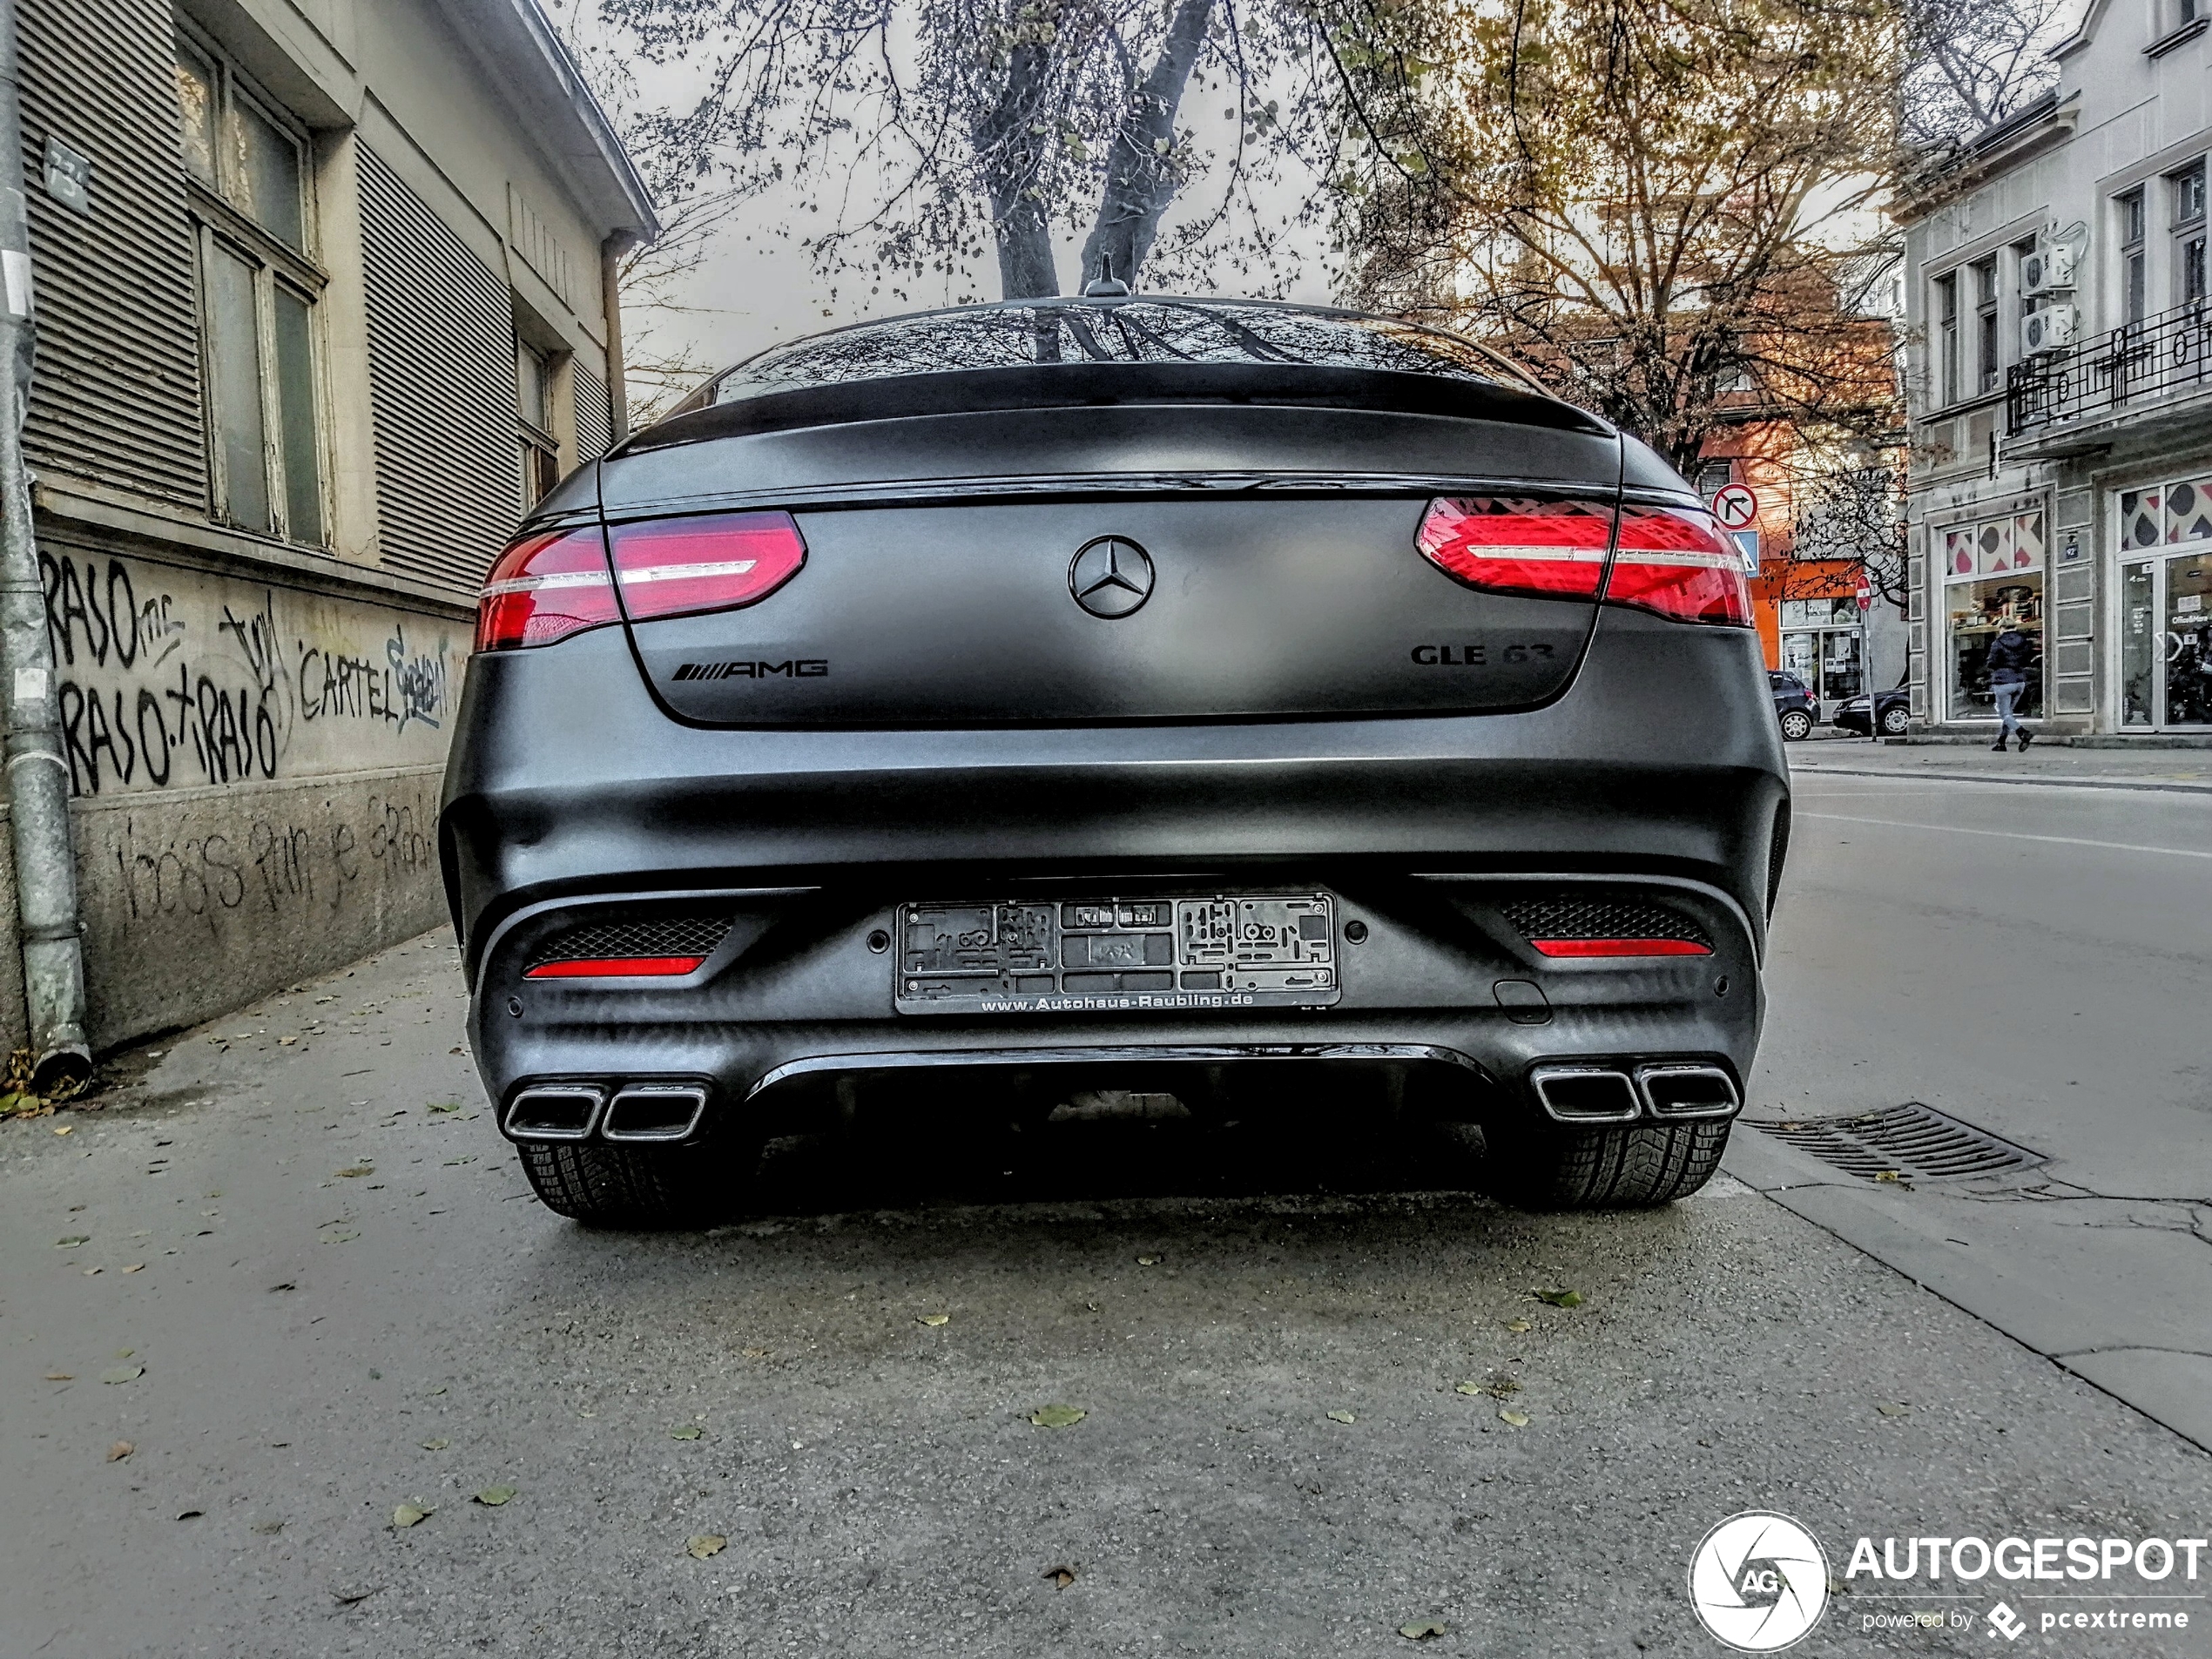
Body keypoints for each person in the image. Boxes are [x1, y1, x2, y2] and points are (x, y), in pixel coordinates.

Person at [1984, 624, 2036, 751]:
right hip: (2019, 681)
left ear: (2002, 628)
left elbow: (1992, 663)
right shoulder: (2024, 641)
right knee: (2008, 714)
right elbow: (2028, 659)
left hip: (2003, 681)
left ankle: (2023, 733)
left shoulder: (1998, 642)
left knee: (2004, 714)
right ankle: (2001, 742)